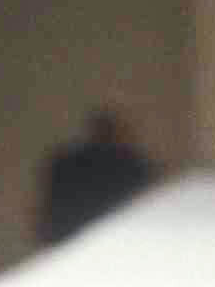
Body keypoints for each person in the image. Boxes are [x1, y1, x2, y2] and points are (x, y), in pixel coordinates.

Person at [34, 106, 155, 249]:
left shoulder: (65, 164)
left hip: (73, 243)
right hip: (111, 243)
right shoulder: (133, 166)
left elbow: (47, 220)